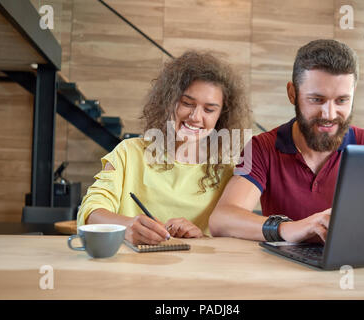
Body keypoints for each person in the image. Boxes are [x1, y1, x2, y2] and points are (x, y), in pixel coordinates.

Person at [209, 39, 364, 244]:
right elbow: (222, 219)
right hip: (287, 273)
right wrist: (288, 229)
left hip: (359, 269)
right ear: (292, 93)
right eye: (317, 99)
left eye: (342, 100)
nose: (329, 114)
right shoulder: (261, 148)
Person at [77, 50, 252, 245]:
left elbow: (234, 240)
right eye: (187, 103)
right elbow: (90, 212)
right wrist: (126, 227)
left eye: (209, 109)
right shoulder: (129, 153)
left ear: (222, 115)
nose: (195, 117)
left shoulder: (228, 171)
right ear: (169, 101)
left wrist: (201, 239)